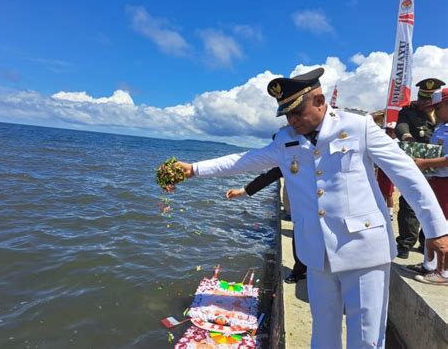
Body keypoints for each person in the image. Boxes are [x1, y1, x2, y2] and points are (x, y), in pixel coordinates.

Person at [175, 67, 448, 348]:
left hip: (364, 249)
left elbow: (407, 174)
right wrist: (194, 169)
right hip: (317, 252)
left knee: (366, 338)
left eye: (297, 112)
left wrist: (436, 229)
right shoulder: (285, 140)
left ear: (319, 100)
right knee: (323, 333)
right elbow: (243, 160)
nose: (292, 121)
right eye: (287, 115)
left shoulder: (358, 127)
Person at [226, 167, 307, 283]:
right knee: (300, 239)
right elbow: (271, 174)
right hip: (304, 209)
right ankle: (299, 272)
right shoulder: (295, 155)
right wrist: (243, 191)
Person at [395, 78, 446, 259]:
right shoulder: (410, 111)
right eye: (422, 98)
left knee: (435, 204)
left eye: (429, 99)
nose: (425, 102)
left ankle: (427, 240)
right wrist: (407, 136)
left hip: (438, 168)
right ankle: (405, 242)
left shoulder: (442, 112)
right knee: (409, 202)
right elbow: (401, 125)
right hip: (415, 162)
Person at [408, 88, 448, 285]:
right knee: (433, 221)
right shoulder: (441, 126)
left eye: (438, 107)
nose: (434, 112)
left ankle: (445, 272)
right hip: (437, 179)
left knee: (445, 225)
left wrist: (425, 163)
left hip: (446, 182)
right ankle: (429, 265)